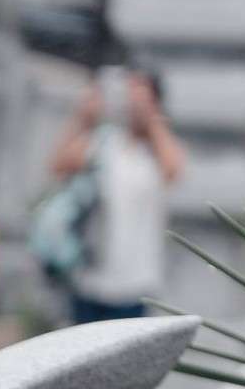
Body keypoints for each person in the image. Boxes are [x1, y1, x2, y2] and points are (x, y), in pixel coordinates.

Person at [50, 66, 184, 323]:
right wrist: (83, 117)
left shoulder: (155, 151)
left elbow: (174, 169)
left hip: (136, 284)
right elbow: (58, 164)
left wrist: (152, 118)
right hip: (90, 277)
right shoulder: (104, 142)